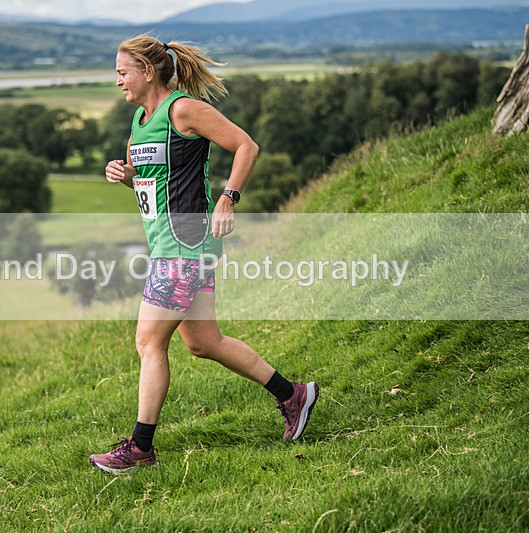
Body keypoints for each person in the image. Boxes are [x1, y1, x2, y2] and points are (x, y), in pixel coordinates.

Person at [89, 35, 318, 474]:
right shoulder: (141, 119)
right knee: (203, 342)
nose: (117, 80)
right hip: (172, 244)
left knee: (148, 341)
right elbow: (153, 180)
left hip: (184, 246)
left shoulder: (182, 109)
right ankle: (293, 395)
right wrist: (124, 175)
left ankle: (140, 447)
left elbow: (246, 145)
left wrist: (229, 198)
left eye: (122, 71)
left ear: (147, 71)